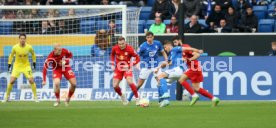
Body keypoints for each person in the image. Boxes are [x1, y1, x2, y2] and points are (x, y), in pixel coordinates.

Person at [127, 32, 168, 103]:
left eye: (150, 37)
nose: (149, 39)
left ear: (153, 37)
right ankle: (129, 98)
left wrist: (166, 60)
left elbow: (163, 52)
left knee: (159, 82)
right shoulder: (143, 46)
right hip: (146, 67)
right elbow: (136, 55)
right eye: (148, 37)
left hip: (156, 66)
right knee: (139, 84)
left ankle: (160, 100)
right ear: (146, 38)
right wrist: (137, 63)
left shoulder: (157, 43)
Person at [178, 41, 220, 107]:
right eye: (173, 43)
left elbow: (197, 55)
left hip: (194, 67)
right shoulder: (180, 50)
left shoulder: (185, 47)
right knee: (196, 88)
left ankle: (194, 95)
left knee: (181, 79)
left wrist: (189, 59)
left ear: (179, 41)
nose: (175, 44)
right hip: (196, 68)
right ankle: (214, 99)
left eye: (175, 42)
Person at [3, 34, 38, 102]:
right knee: (12, 81)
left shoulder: (29, 47)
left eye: (24, 38)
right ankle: (6, 97)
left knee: (31, 80)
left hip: (26, 66)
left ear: (25, 39)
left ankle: (35, 97)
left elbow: (33, 54)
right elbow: (11, 55)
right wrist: (9, 64)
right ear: (19, 39)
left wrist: (34, 63)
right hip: (17, 66)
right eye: (21, 38)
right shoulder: (15, 47)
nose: (22, 40)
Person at [110, 37, 140, 105]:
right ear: (118, 43)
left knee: (130, 81)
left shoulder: (130, 49)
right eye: (119, 44)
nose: (121, 45)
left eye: (122, 44)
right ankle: (122, 96)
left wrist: (132, 65)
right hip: (118, 68)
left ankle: (137, 98)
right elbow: (112, 55)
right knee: (115, 86)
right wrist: (112, 64)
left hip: (127, 68)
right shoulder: (115, 48)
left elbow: (137, 57)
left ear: (125, 43)